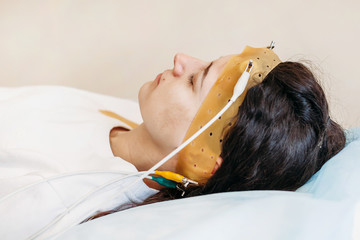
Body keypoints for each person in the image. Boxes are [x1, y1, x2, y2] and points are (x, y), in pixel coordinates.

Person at [0, 45, 346, 237]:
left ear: (206, 159)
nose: (181, 59)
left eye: (195, 80)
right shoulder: (131, 119)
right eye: (204, 63)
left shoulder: (51, 193)